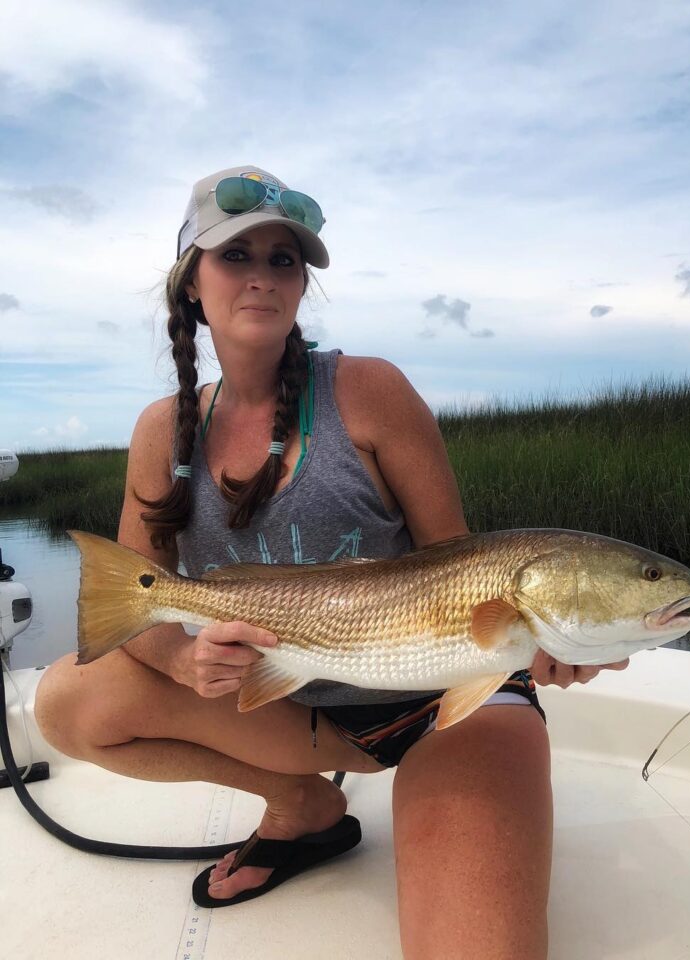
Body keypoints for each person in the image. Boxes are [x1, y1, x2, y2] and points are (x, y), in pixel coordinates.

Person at [34, 165, 628, 960]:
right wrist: (182, 661)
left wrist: (548, 640)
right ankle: (303, 809)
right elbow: (136, 600)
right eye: (236, 255)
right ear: (190, 285)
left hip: (444, 701)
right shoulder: (159, 433)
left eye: (285, 260)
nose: (263, 277)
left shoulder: (370, 391)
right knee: (68, 698)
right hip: (298, 717)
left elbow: (461, 564)